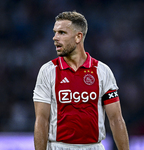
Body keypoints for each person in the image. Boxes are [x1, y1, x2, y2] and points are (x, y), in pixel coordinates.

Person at [33, 11, 129, 150]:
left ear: (78, 37)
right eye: (55, 32)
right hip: (58, 147)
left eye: (62, 33)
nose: (55, 38)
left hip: (93, 147)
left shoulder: (102, 71)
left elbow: (116, 119)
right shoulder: (48, 71)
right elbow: (41, 121)